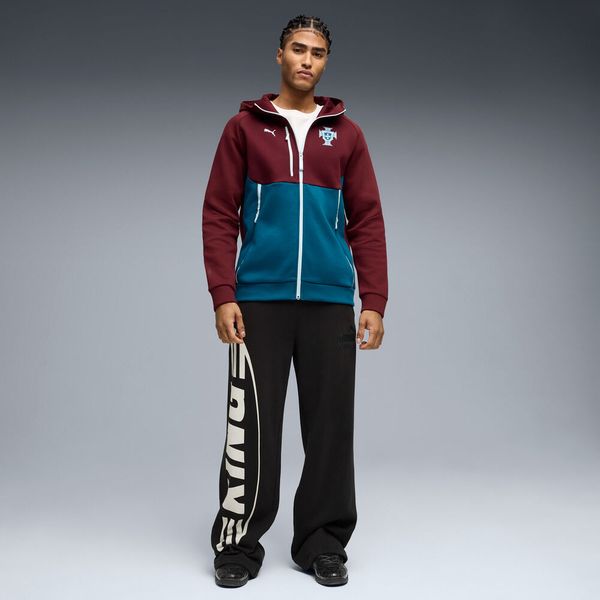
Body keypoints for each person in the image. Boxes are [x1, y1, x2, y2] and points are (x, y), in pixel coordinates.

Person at [202, 14, 388, 588]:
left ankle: (322, 543)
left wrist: (374, 298)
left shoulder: (347, 135)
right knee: (252, 426)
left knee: (330, 427)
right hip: (259, 299)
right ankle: (238, 544)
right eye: (298, 49)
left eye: (318, 52)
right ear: (279, 55)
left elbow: (367, 220)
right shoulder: (244, 128)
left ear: (326, 62)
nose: (308, 60)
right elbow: (219, 213)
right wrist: (223, 293)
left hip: (330, 301)